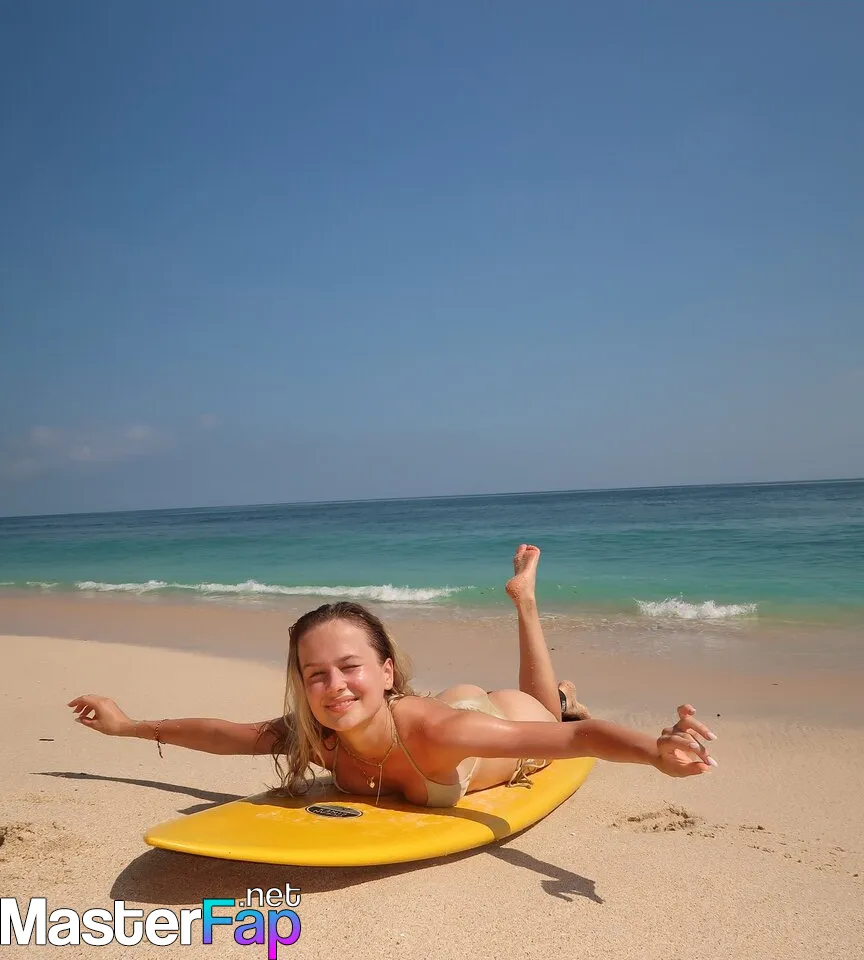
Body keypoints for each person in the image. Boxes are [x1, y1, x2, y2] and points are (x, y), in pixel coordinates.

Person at [68, 544, 717, 807]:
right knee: (508, 705)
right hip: (439, 708)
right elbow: (226, 734)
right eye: (315, 674)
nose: (333, 686)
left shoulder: (437, 731)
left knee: (548, 710)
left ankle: (526, 604)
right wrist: (129, 727)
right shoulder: (318, 734)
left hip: (489, 723)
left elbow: (577, 741)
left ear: (385, 670)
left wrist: (653, 753)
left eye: (349, 667)